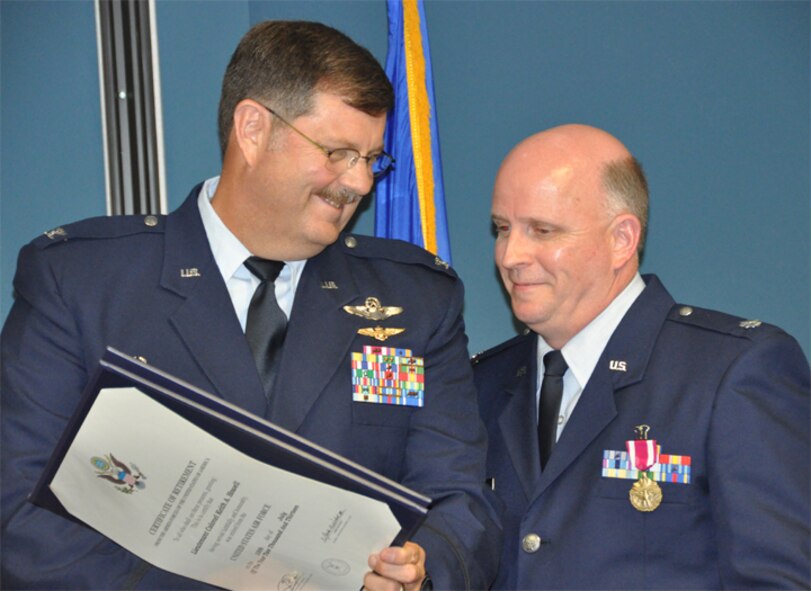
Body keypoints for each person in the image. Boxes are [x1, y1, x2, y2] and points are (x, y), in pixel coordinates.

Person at [1, 21, 501, 590]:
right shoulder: (84, 284)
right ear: (253, 128)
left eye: (371, 159)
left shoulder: (414, 300)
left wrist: (420, 569)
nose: (360, 182)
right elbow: (21, 515)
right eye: (338, 152)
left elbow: (459, 502)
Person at [473, 123, 810, 589]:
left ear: (622, 240)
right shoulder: (482, 384)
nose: (510, 255)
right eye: (502, 229)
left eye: (542, 230)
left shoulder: (730, 372)